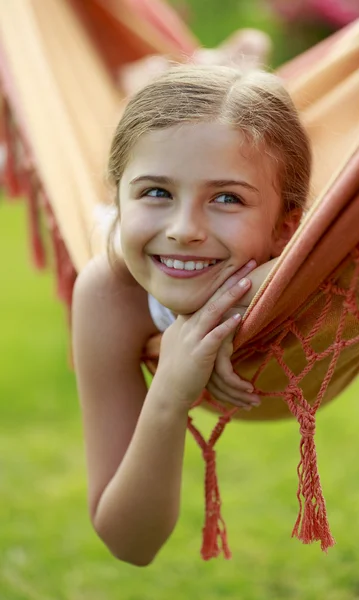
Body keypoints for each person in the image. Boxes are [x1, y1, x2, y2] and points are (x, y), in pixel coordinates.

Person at [72, 64, 311, 566]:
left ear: (285, 231)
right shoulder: (109, 292)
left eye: (227, 198)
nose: (184, 229)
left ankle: (227, 56)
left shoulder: (309, 257)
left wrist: (237, 307)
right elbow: (129, 542)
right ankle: (185, 62)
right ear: (118, 198)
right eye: (155, 191)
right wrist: (168, 396)